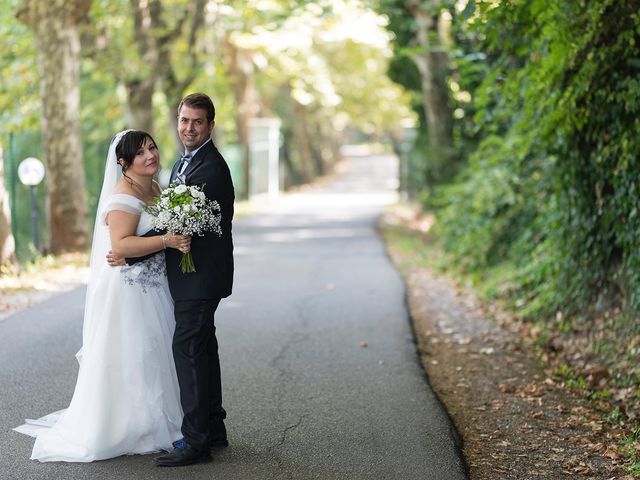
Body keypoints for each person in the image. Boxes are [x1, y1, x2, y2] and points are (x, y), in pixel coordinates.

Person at [14, 130, 192, 462]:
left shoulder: (153, 187)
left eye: (152, 147)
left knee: (160, 352)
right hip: (132, 291)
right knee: (141, 354)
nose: (151, 155)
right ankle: (145, 427)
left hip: (156, 285)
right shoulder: (123, 196)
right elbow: (121, 246)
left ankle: (170, 421)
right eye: (141, 153)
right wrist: (167, 240)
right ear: (124, 163)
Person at [116, 93, 235, 467]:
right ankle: (213, 428)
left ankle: (196, 442)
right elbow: (173, 220)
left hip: (200, 277)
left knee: (188, 352)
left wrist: (131, 250)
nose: (189, 128)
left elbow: (178, 225)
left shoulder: (209, 169)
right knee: (203, 350)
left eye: (197, 122)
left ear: (210, 125)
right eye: (184, 121)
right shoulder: (185, 162)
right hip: (193, 275)